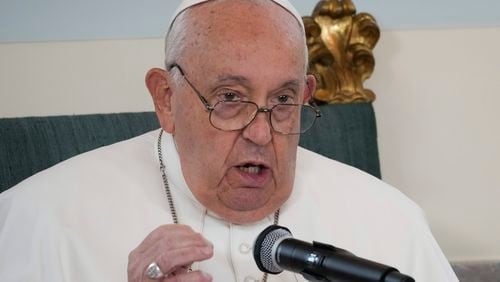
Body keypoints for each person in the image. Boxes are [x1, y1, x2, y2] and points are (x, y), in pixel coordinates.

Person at [0, 0, 458, 281]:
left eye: (282, 99)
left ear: (305, 96)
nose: (261, 134)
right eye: (229, 98)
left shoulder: (389, 219)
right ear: (166, 98)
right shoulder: (41, 218)